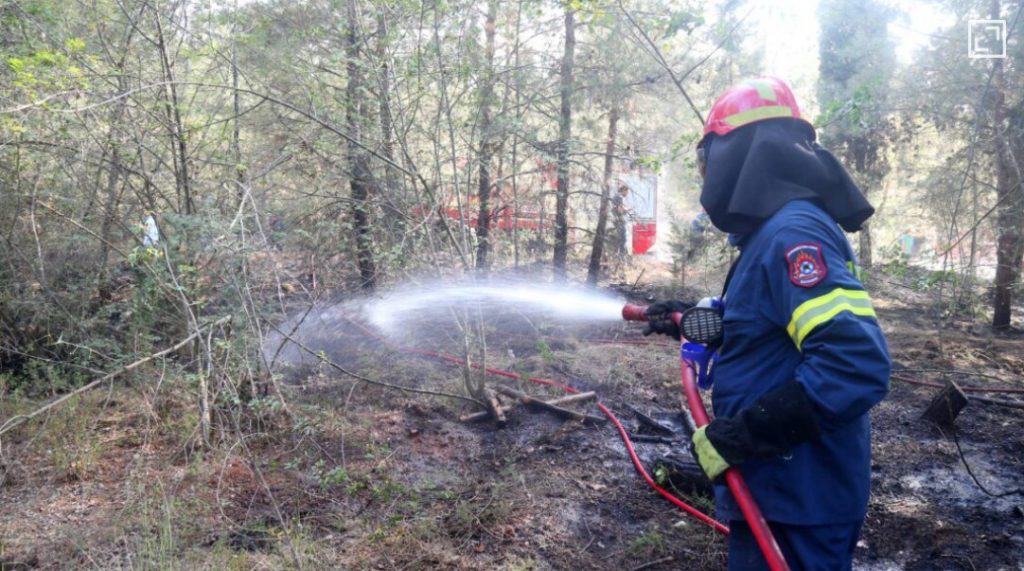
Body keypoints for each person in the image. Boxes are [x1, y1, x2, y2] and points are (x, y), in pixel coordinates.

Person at [644, 77, 891, 570]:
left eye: (706, 159)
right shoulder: (772, 233)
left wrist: (745, 435)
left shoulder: (792, 233)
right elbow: (774, 333)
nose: (703, 174)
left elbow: (855, 363)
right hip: (780, 490)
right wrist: (692, 320)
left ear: (739, 152)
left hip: (799, 494)